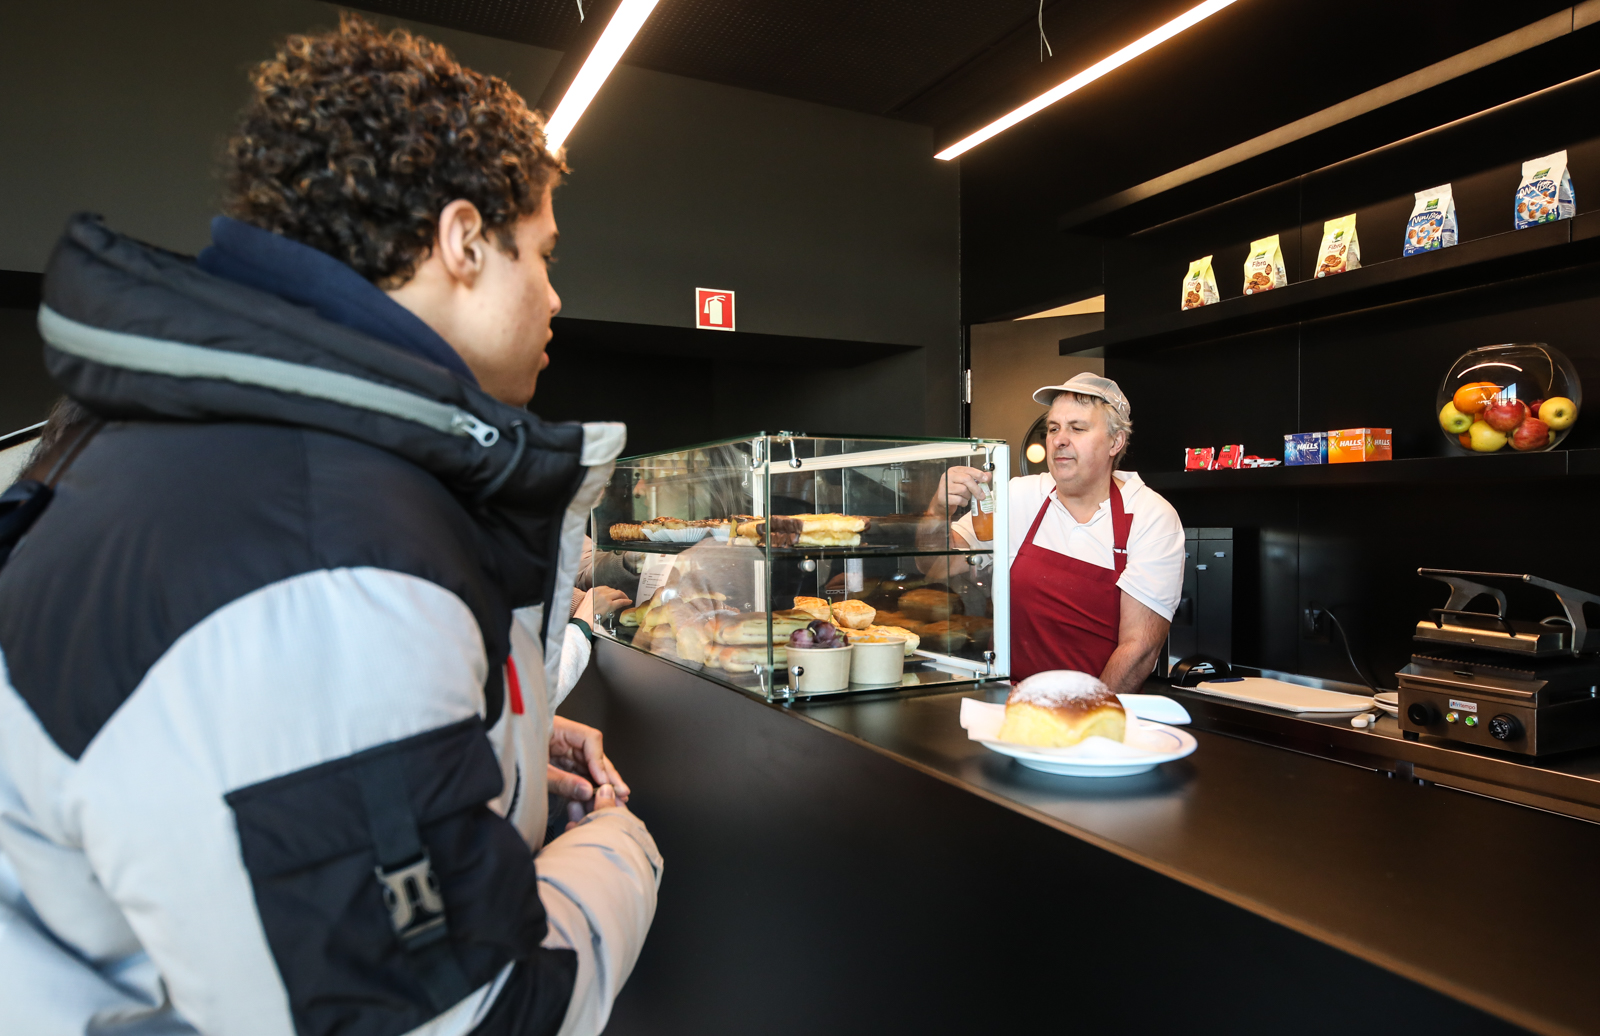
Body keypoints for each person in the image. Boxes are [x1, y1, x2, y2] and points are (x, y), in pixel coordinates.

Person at [0, 15, 659, 1036]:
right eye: (541, 252)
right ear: (463, 242)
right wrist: (622, 850)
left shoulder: (219, 455)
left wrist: (491, 740)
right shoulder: (322, 554)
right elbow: (464, 1018)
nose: (555, 295)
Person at [926, 373, 1184, 692]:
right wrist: (938, 511)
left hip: (1090, 714)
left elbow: (1139, 648)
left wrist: (1082, 717)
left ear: (1115, 442)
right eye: (1053, 428)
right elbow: (935, 566)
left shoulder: (1151, 516)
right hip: (1007, 701)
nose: (1059, 439)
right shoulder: (1020, 496)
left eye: (1077, 428)